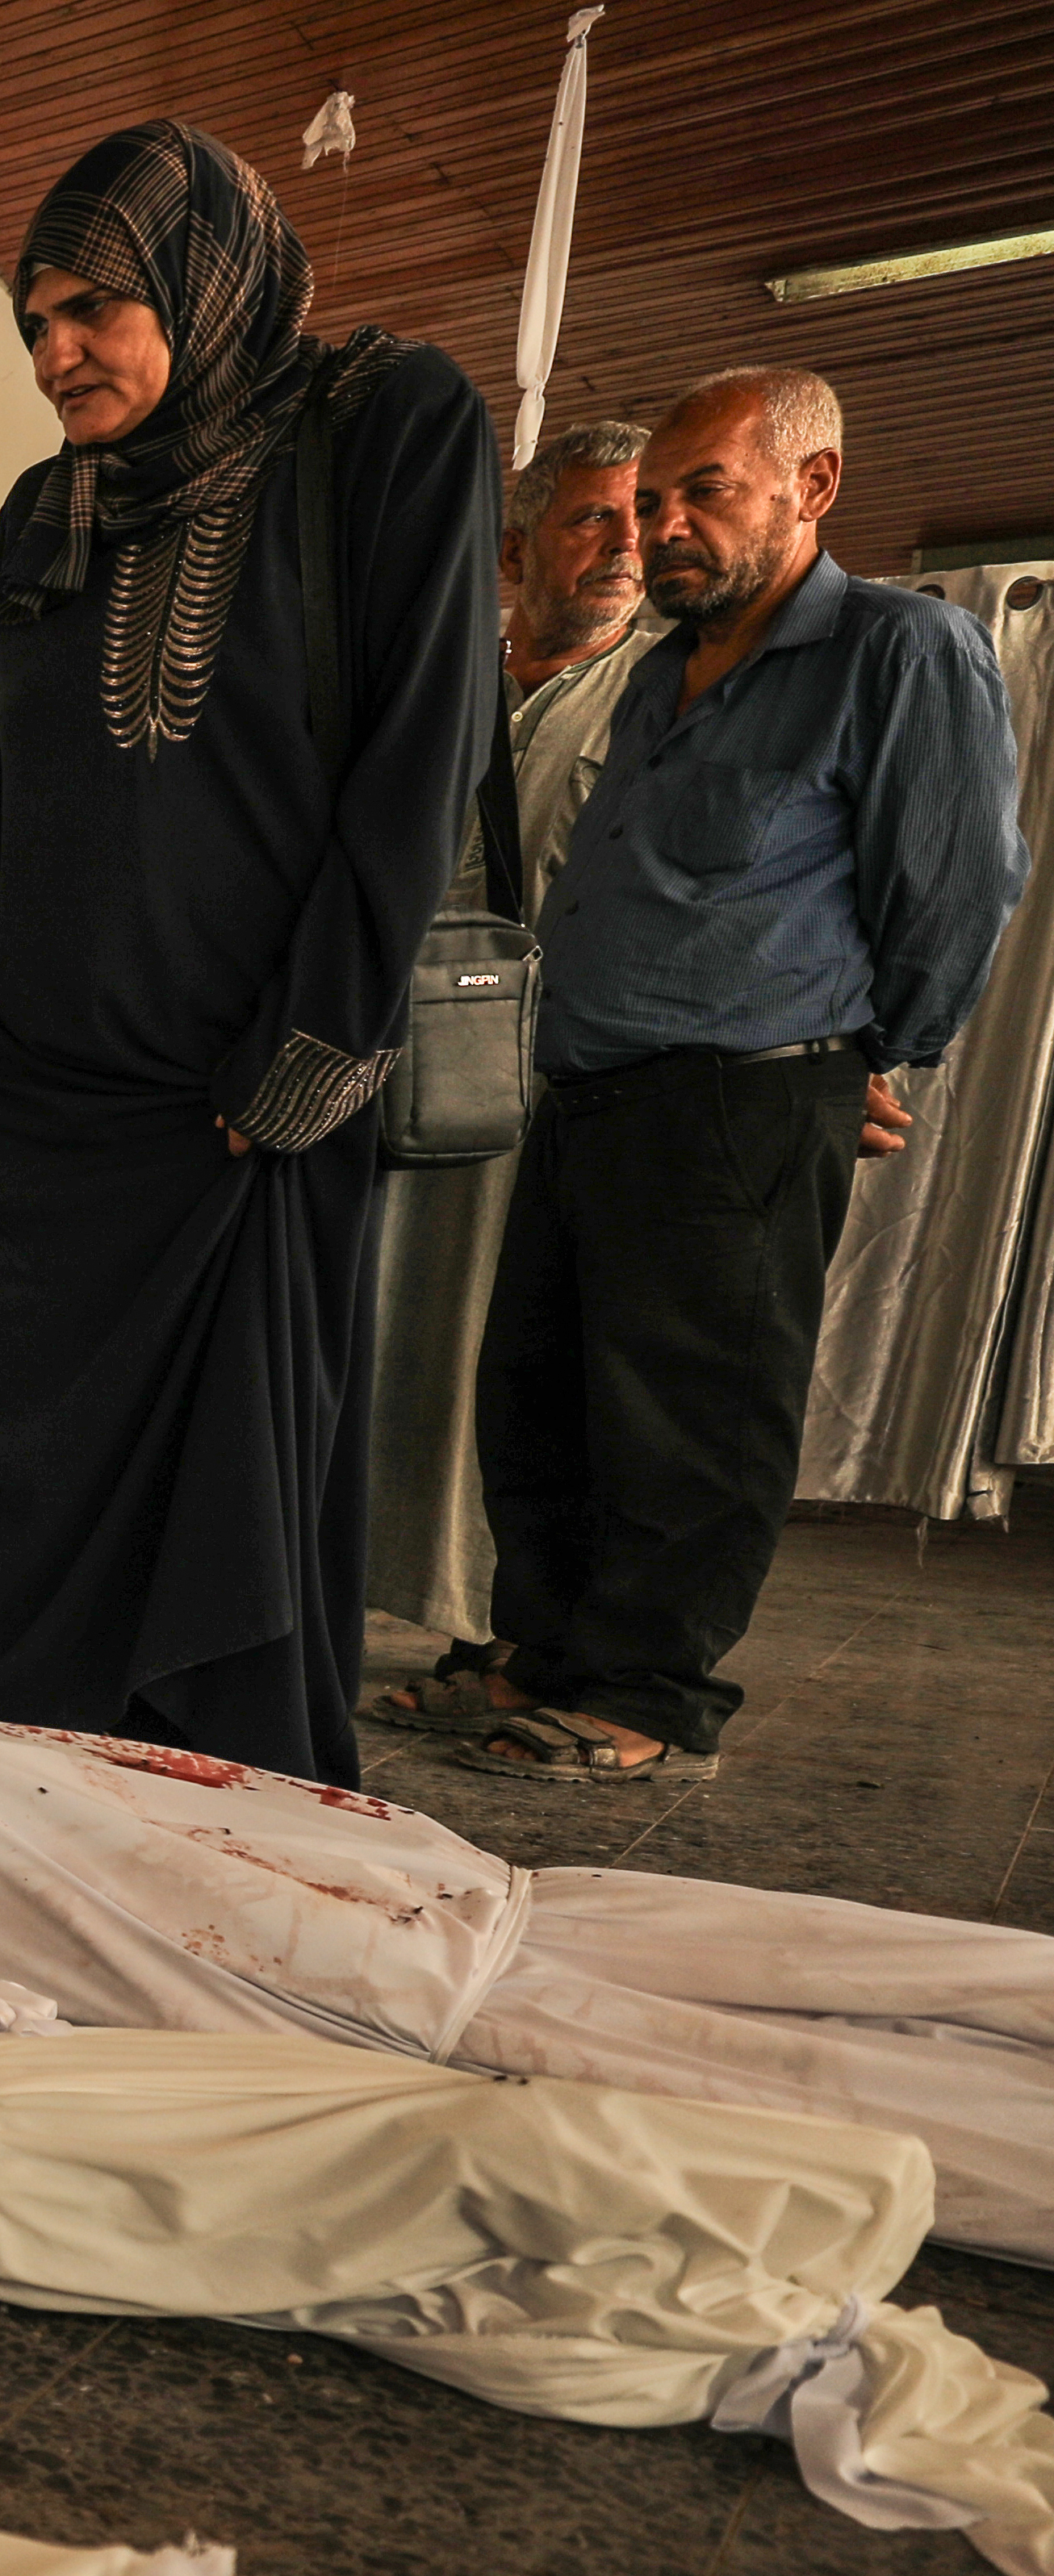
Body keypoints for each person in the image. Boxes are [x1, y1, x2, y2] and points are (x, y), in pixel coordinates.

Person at [0, 119, 500, 1785]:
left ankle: (204, 1851)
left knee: (225, 1538)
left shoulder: (386, 428)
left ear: (203, 290)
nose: (52, 355)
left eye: (92, 309)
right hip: (30, 1119)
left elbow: (418, 761)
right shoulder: (47, 504)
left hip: (236, 1119)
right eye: (32, 322)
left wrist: (309, 1049)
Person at [455, 367, 1027, 1784]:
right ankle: (542, 1652)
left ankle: (646, 1695)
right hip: (586, 1086)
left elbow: (957, 882)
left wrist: (871, 1056)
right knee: (540, 1397)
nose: (663, 526)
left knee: (692, 1419)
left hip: (741, 1094)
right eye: (651, 500)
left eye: (702, 491)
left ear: (811, 485)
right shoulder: (662, 667)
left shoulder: (901, 648)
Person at [365, 422, 658, 1712]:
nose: (624, 545)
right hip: (393, 1068)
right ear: (513, 547)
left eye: (640, 519)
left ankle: (503, 1637)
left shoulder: (664, 695)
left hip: (548, 1094)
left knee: (516, 1365)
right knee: (380, 1344)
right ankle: (390, 1598)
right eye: (591, 517)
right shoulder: (441, 679)